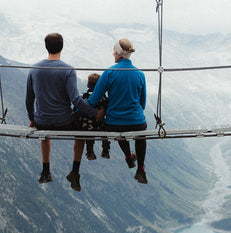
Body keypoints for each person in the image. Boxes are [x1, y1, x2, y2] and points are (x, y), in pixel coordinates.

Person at [25, 33, 103, 191]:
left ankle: (46, 171)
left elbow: (29, 99)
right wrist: (95, 113)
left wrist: (32, 119)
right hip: (64, 121)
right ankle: (75, 171)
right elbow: (76, 100)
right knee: (80, 133)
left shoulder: (34, 69)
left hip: (41, 120)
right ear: (62, 46)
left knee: (44, 134)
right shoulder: (68, 70)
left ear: (46, 46)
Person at [86, 38, 148, 184]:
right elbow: (142, 103)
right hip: (136, 121)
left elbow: (94, 100)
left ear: (119, 54)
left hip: (114, 123)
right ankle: (141, 169)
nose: (112, 53)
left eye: (114, 51)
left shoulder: (109, 73)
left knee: (119, 130)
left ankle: (128, 156)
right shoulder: (140, 74)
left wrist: (78, 106)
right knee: (141, 133)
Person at [75, 73, 111, 160]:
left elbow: (75, 109)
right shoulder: (103, 98)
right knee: (106, 129)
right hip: (99, 126)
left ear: (88, 84)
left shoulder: (82, 96)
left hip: (85, 126)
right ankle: (105, 150)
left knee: (89, 132)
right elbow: (108, 110)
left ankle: (90, 152)